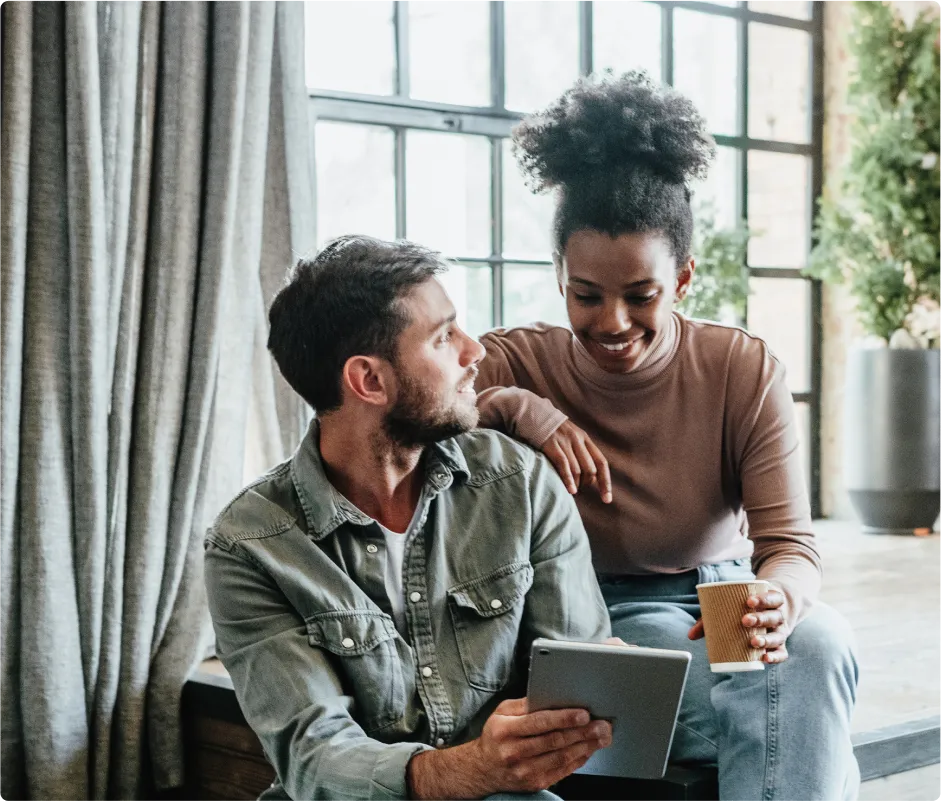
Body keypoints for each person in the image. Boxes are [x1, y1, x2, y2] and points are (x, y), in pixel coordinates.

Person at [474, 72, 860, 801]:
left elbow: (791, 548)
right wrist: (523, 409)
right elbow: (412, 414)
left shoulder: (739, 367)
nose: (612, 321)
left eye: (640, 295)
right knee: (762, 699)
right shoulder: (513, 358)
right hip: (602, 610)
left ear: (682, 277)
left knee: (817, 645)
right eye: (585, 294)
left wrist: (777, 599)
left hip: (721, 599)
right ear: (557, 274)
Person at [203, 235, 616, 801]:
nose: (475, 352)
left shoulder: (519, 483)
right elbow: (315, 755)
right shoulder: (250, 545)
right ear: (369, 380)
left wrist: (595, 701)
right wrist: (473, 768)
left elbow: (577, 691)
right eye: (444, 337)